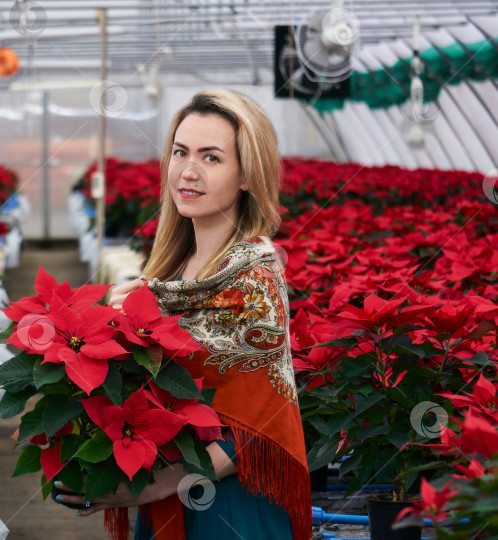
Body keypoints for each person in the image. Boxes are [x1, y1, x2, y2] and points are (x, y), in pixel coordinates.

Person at [55, 89, 312, 540]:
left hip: (228, 507)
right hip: (169, 499)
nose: (188, 172)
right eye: (180, 152)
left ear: (247, 175)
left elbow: (257, 427)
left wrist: (145, 488)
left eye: (211, 158)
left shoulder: (252, 278)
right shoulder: (171, 271)